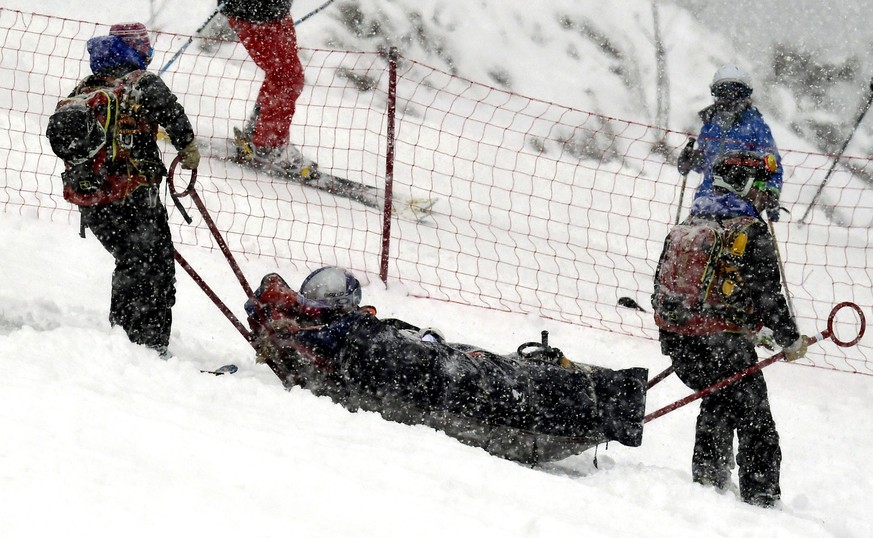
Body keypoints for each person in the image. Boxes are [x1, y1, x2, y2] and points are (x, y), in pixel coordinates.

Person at [245, 266, 649, 464]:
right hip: (481, 392)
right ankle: (604, 399)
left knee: (503, 371)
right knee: (517, 383)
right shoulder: (358, 342)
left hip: (448, 370)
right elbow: (444, 377)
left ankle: (603, 395)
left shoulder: (345, 338)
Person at [652, 151, 808, 508]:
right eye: (763, 190)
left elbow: (659, 289)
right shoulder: (749, 230)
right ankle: (762, 496)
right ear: (747, 186)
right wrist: (790, 340)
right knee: (756, 419)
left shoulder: (688, 224)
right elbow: (769, 295)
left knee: (719, 398)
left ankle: (709, 482)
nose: (766, 199)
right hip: (722, 345)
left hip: (681, 343)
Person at [54, 22, 200, 356]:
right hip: (135, 198)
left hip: (93, 202)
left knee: (131, 265)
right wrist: (188, 149)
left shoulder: (85, 89)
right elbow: (172, 113)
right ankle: (147, 347)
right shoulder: (140, 83)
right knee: (155, 270)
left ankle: (125, 341)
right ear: (137, 49)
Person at [678, 64, 784, 221]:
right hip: (706, 202)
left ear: (745, 95)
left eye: (735, 92)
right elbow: (706, 162)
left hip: (742, 204)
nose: (728, 99)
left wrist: (771, 193)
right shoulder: (711, 126)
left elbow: (772, 165)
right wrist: (691, 160)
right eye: (723, 92)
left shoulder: (755, 126)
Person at [218, 0, 310, 173]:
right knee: (287, 78)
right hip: (254, 13)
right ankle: (266, 146)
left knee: (286, 76)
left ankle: (260, 137)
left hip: (273, 12)